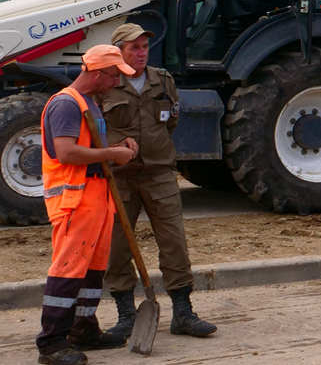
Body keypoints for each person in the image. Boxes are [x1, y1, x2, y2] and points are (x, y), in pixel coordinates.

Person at [101, 24, 216, 343]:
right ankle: (125, 315)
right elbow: (95, 126)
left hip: (160, 174)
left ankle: (183, 312)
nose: (141, 53)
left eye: (144, 47)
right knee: (118, 247)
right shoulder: (107, 83)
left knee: (174, 243)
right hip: (120, 179)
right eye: (133, 47)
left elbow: (172, 120)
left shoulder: (162, 80)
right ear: (118, 51)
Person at [37, 45, 138, 365]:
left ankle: (83, 329)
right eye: (114, 76)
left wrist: (116, 147)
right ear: (96, 73)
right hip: (74, 201)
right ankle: (52, 342)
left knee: (93, 270)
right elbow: (67, 153)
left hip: (97, 198)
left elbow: (88, 148)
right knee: (68, 270)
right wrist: (111, 154)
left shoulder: (90, 104)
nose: (116, 83)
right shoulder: (66, 104)